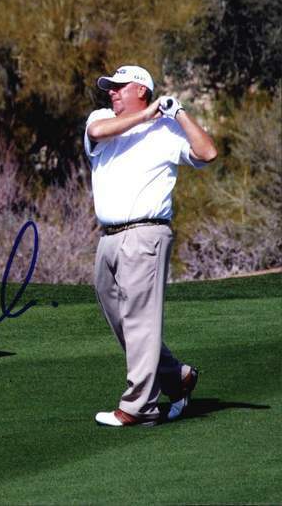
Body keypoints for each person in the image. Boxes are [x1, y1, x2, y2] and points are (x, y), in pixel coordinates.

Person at [84, 65, 217, 426]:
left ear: (141, 89)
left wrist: (179, 113)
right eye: (110, 88)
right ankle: (178, 376)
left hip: (146, 233)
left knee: (141, 322)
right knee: (124, 324)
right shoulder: (102, 119)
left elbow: (207, 153)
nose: (111, 93)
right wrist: (145, 114)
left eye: (119, 87)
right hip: (108, 238)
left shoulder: (167, 131)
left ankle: (139, 407)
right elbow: (97, 131)